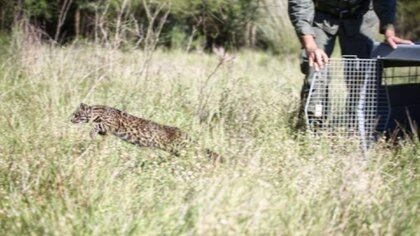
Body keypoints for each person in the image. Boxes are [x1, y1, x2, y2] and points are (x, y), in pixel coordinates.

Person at [288, 0, 414, 129]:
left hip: (360, 15)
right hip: (321, 15)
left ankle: (358, 128)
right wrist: (310, 44)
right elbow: (300, 3)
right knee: (315, 67)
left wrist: (389, 31)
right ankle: (312, 126)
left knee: (362, 73)